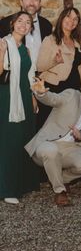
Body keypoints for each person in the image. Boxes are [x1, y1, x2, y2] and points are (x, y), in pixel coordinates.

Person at [28, 73, 81, 206]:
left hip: (71, 147)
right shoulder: (72, 95)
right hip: (48, 143)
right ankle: (59, 191)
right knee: (51, 150)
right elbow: (53, 99)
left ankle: (61, 179)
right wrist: (41, 93)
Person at [0, 12, 40, 204]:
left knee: (24, 140)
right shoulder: (3, 43)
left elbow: (28, 76)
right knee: (10, 142)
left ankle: (22, 184)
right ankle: (7, 188)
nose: (24, 25)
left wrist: (33, 97)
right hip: (8, 98)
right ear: (13, 23)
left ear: (31, 28)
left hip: (24, 96)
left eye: (28, 22)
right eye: (20, 21)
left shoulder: (27, 49)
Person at [36, 7, 81, 129]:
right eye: (68, 16)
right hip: (54, 88)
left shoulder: (77, 42)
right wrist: (54, 61)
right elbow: (39, 66)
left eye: (75, 19)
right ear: (62, 18)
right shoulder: (50, 40)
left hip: (73, 90)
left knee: (66, 126)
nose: (71, 21)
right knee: (47, 126)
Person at [0, 0, 52, 65]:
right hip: (15, 74)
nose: (31, 3)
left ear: (40, 3)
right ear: (21, 2)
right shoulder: (5, 23)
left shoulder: (47, 25)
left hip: (41, 74)